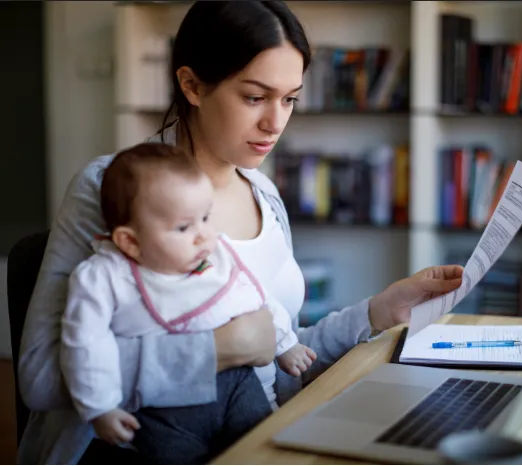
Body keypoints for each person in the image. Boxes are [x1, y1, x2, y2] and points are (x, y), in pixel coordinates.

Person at [16, 1, 464, 464]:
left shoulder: (265, 192)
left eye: (289, 98)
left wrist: (377, 312)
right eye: (254, 97)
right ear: (191, 85)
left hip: (253, 432)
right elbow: (42, 376)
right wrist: (217, 350)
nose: (276, 122)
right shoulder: (113, 187)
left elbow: (275, 356)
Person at [60, 142, 316, 463]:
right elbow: (85, 345)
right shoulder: (103, 278)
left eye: (206, 217)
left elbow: (254, 297)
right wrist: (99, 407)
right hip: (161, 410)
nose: (203, 235)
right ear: (131, 241)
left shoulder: (213, 255)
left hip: (237, 385)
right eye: (184, 226)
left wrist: (285, 344)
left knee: (260, 451)